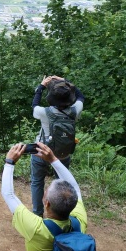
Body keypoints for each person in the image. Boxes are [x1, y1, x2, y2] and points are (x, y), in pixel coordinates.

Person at [30, 76, 85, 216]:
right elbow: (81, 96)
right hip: (62, 154)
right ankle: (59, 213)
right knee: (61, 185)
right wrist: (66, 81)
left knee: (37, 182)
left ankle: (37, 213)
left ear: (51, 98)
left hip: (42, 151)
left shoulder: (44, 113)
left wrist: (41, 86)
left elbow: (34, 104)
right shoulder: (75, 110)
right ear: (70, 98)